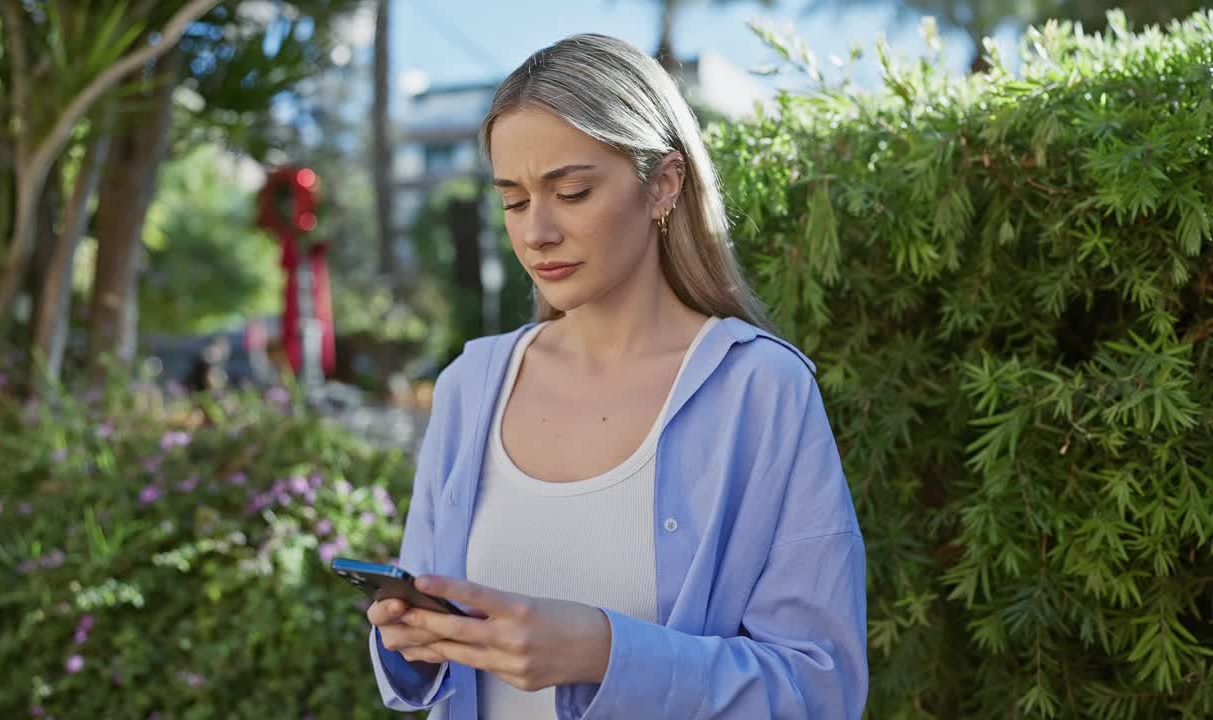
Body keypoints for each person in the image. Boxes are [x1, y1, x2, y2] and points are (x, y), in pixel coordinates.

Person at [366, 33, 867, 719]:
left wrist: (605, 653)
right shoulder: (470, 385)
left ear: (663, 183)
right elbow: (435, 646)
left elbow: (821, 688)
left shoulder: (761, 391)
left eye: (570, 192)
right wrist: (413, 640)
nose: (536, 232)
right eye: (512, 201)